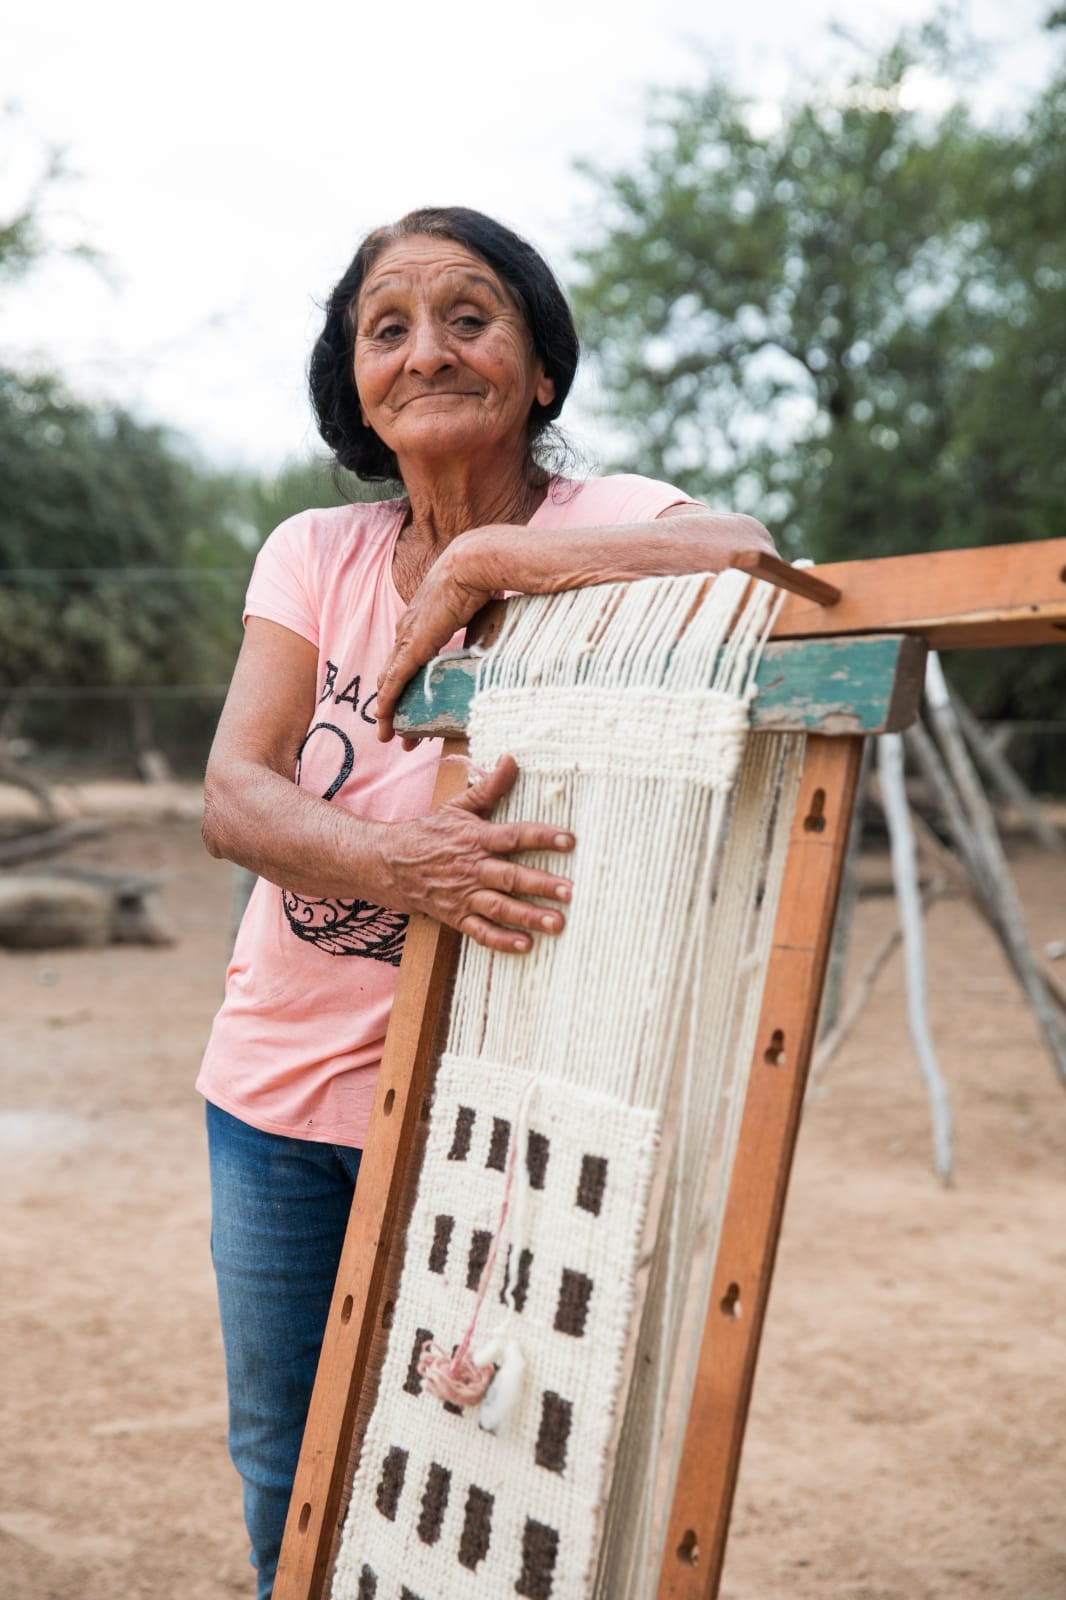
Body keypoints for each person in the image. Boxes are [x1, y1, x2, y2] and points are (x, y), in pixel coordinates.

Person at [198, 205, 776, 1598]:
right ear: (355, 385)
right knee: (288, 1460)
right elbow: (234, 795)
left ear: (540, 372)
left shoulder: (603, 520)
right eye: (384, 329)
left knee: (489, 1463)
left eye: (470, 316)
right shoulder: (314, 554)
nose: (426, 350)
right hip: (271, 1100)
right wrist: (405, 868)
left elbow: (756, 558)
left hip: (502, 1107)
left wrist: (482, 564)